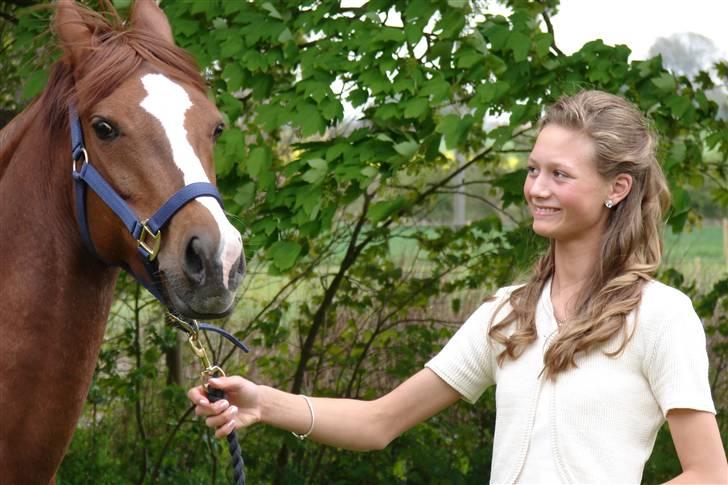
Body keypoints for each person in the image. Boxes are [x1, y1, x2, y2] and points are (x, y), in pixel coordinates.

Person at [189, 91, 728, 483]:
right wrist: (263, 403)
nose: (537, 188)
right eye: (533, 169)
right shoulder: (508, 314)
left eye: (560, 175)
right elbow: (381, 421)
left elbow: (707, 473)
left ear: (617, 187)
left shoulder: (660, 316)